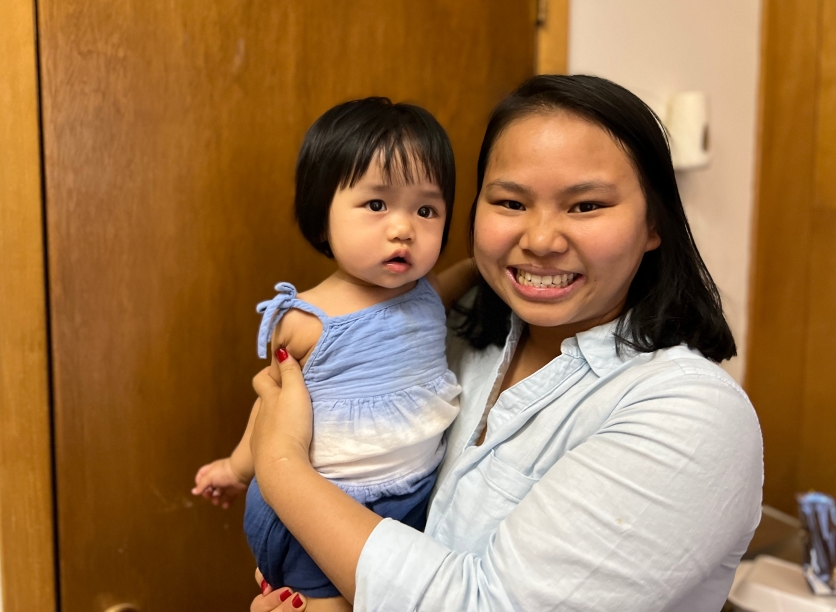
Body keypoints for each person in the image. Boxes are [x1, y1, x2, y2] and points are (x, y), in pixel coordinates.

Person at [248, 75, 764, 611]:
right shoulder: (447, 333)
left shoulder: (692, 415)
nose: (540, 240)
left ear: (654, 224)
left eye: (586, 206)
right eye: (511, 202)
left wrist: (281, 466)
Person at [192, 97, 477, 611]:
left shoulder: (427, 293)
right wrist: (236, 470)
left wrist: (486, 264)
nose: (403, 228)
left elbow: (456, 281)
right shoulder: (305, 322)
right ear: (322, 216)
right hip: (319, 507)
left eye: (426, 210)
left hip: (415, 495)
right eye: (377, 205)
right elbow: (271, 408)